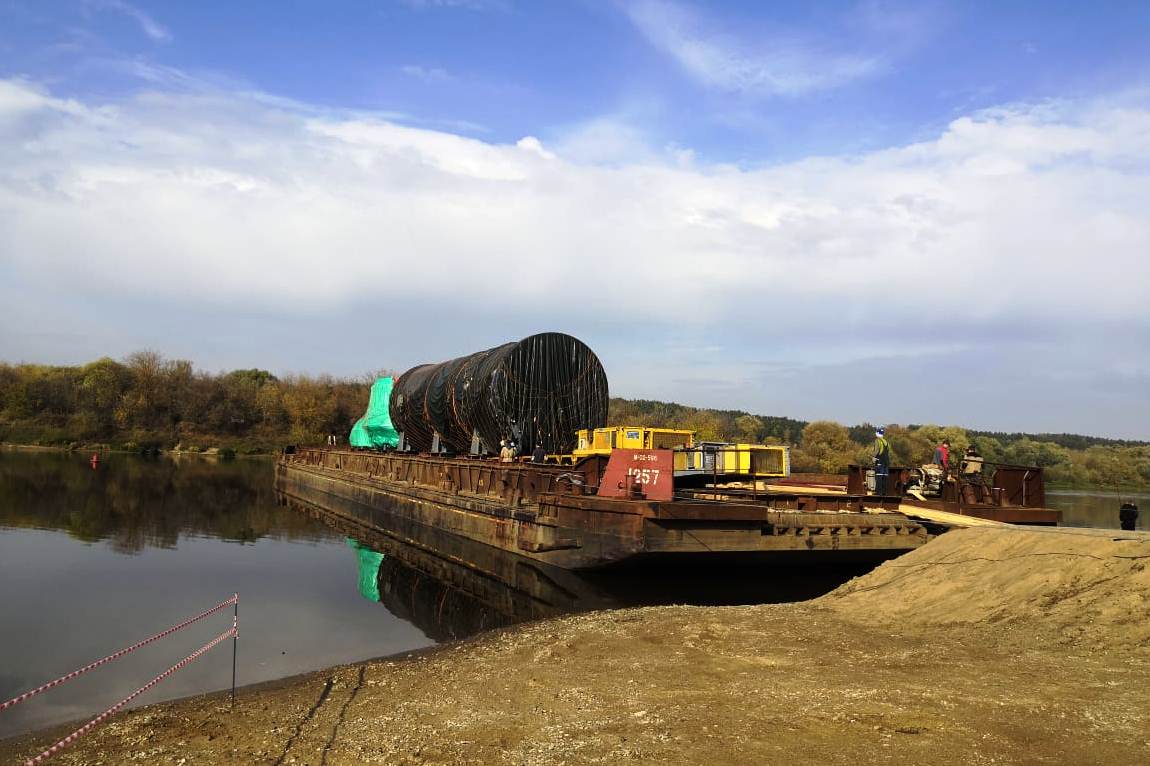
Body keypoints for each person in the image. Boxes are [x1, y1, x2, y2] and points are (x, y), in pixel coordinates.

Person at [873, 427, 891, 495]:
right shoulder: (886, 441)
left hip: (879, 461)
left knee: (879, 476)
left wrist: (873, 458)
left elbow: (876, 451)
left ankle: (878, 493)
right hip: (886, 461)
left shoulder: (877, 441)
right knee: (885, 477)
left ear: (877, 433)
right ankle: (884, 493)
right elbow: (888, 451)